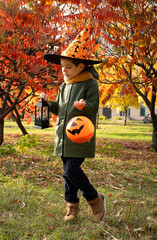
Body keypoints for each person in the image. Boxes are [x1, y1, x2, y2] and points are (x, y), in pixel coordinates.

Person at [41, 26, 106, 223]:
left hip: (79, 136)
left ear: (81, 67)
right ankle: (71, 207)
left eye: (68, 66)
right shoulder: (63, 86)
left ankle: (95, 199)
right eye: (62, 66)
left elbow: (93, 108)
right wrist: (47, 103)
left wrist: (83, 106)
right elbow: (60, 109)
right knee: (67, 174)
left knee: (71, 170)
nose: (64, 70)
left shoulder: (90, 83)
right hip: (63, 136)